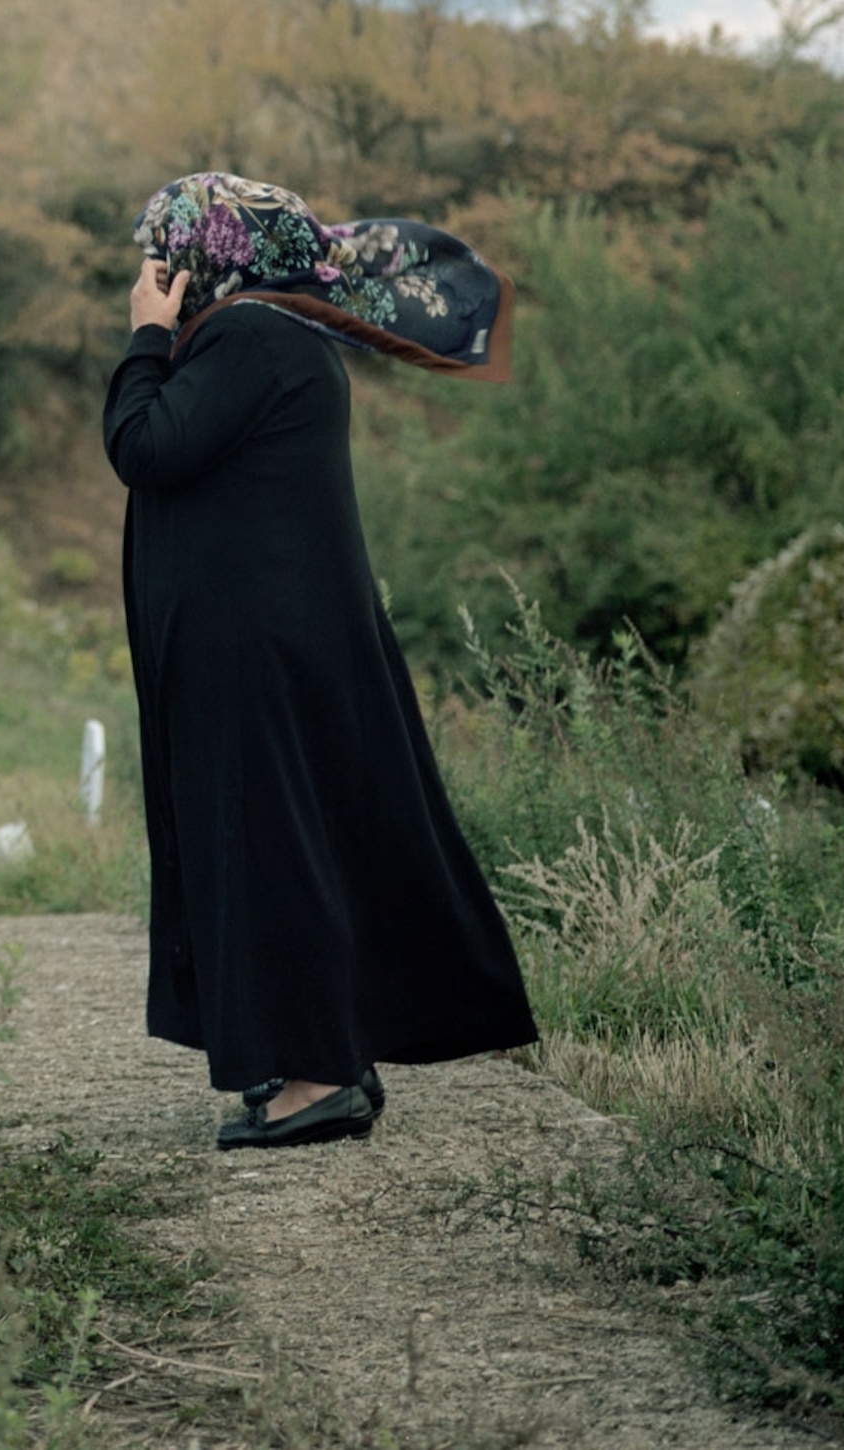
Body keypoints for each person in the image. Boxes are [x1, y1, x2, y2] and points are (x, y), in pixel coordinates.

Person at [103, 172, 537, 1150]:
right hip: (260, 652)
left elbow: (145, 447)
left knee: (274, 849)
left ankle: (319, 1079)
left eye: (167, 258)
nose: (153, 276)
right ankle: (321, 1060)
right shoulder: (270, 337)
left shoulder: (249, 336)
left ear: (210, 261)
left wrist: (142, 338)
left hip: (254, 659)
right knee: (278, 844)